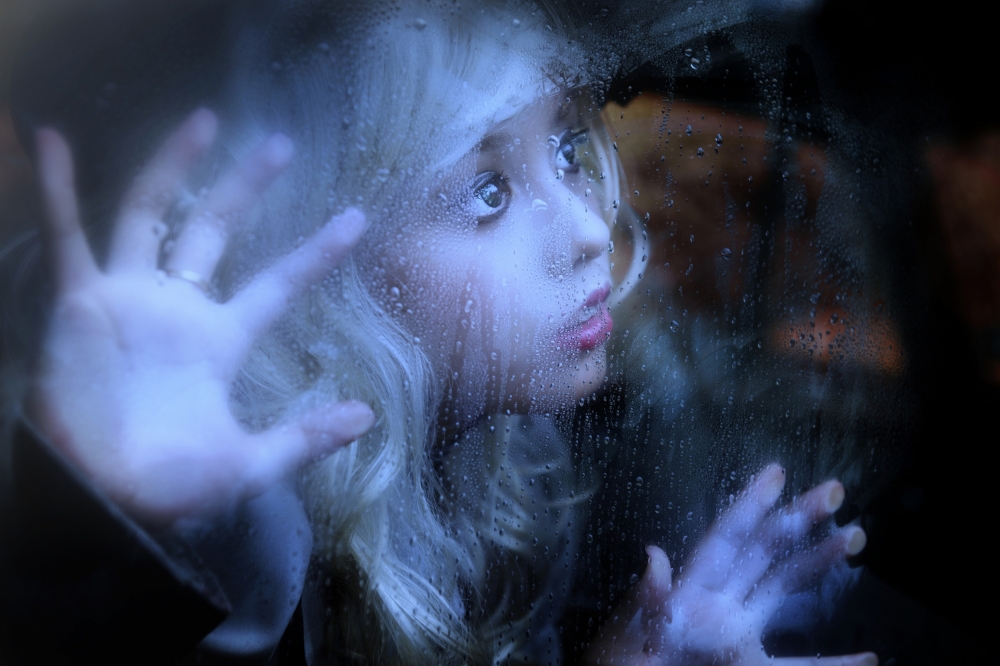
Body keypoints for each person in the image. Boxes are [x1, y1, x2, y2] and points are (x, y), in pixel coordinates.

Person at [0, 2, 876, 664]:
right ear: (327, 273)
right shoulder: (260, 542)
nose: (587, 230)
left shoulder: (526, 463)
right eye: (488, 193)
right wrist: (108, 545)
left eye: (568, 148)